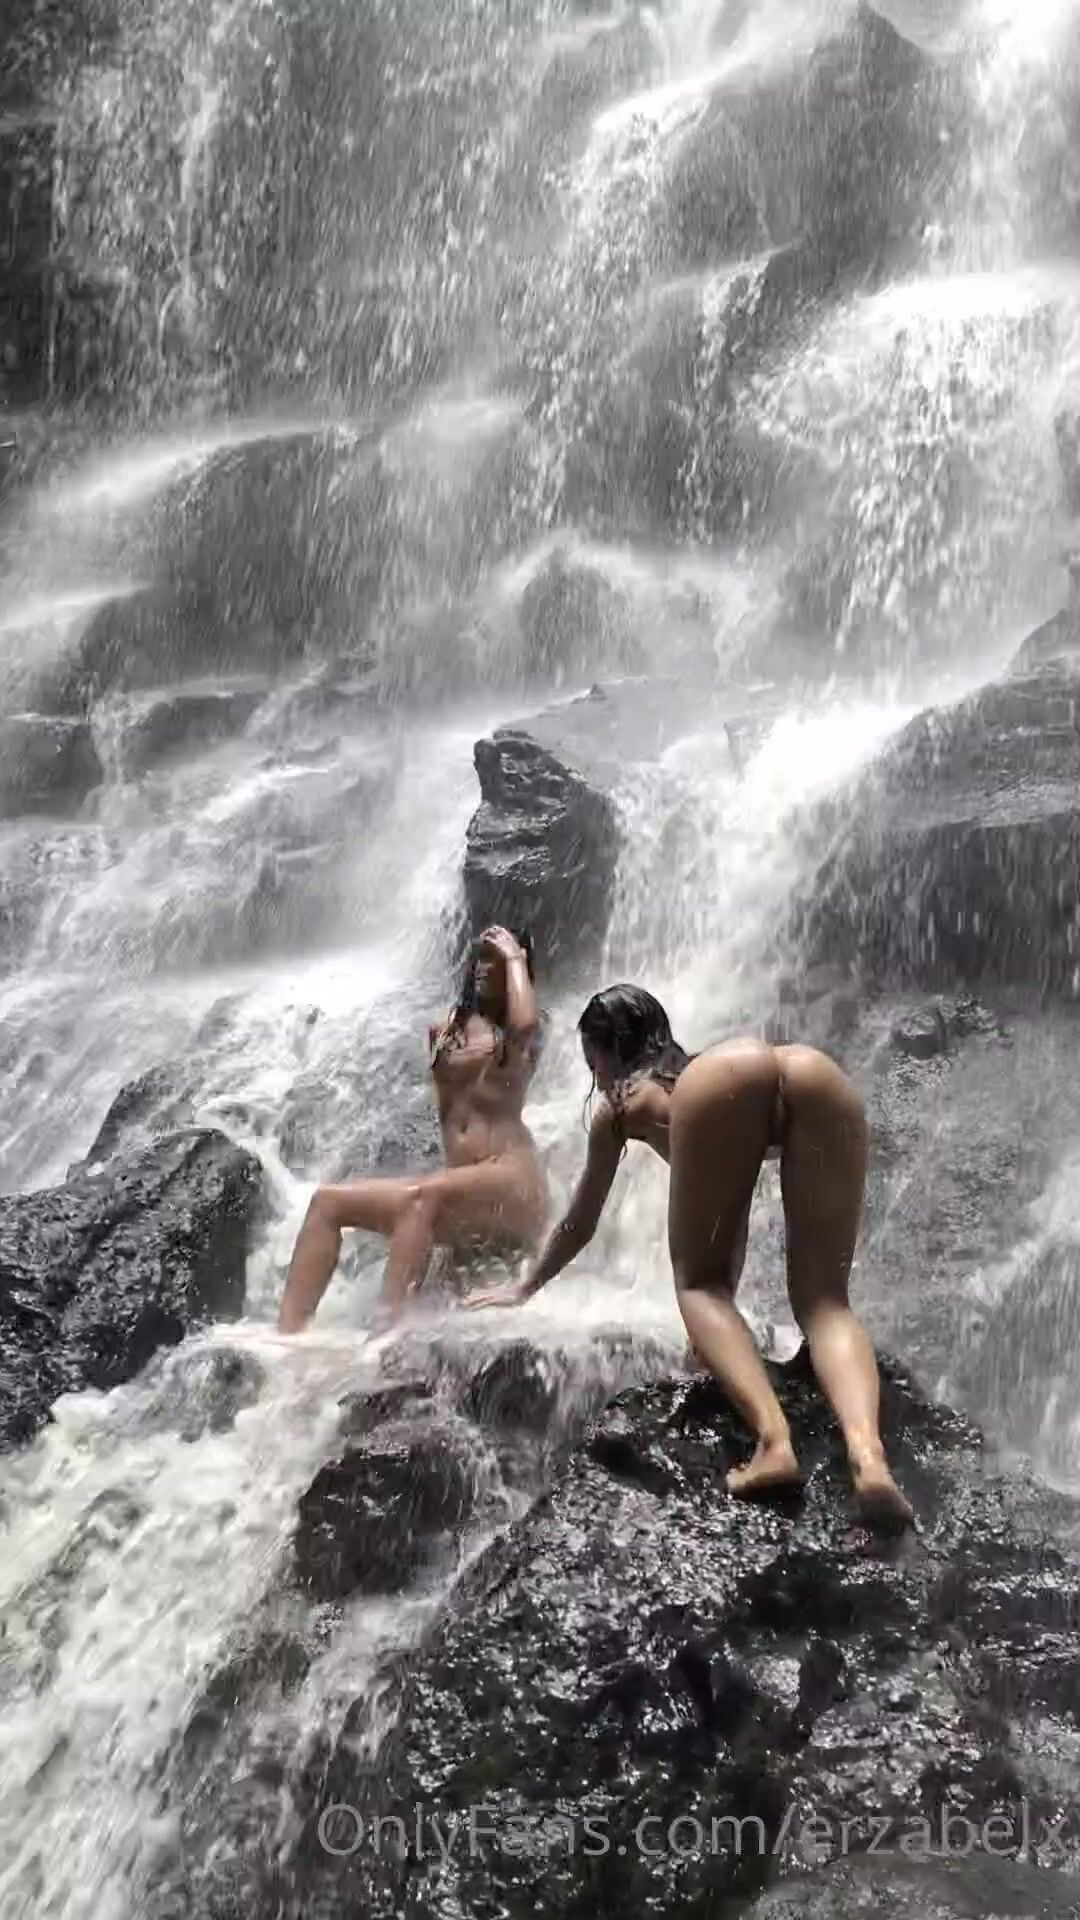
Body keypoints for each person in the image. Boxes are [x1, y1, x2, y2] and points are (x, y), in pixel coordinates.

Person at [465, 982, 912, 1530]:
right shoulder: (690, 1075)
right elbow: (728, 1217)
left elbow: (581, 1222)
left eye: (592, 1062)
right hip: (815, 1072)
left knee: (698, 1286)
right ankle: (869, 1460)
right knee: (825, 1303)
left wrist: (525, 1287)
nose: (595, 1078)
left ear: (609, 1054)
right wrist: (716, 1342)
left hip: (732, 1073)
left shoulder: (625, 1104)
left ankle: (774, 1445)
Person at [277, 925, 548, 1332]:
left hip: (512, 1182)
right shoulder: (446, 1031)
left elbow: (523, 1026)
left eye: (495, 960)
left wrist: (513, 957)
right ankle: (288, 1339)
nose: (483, 966)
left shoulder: (522, 1035)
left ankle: (387, 1338)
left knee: (421, 1199)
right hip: (465, 1190)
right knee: (326, 1203)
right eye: (481, 956)